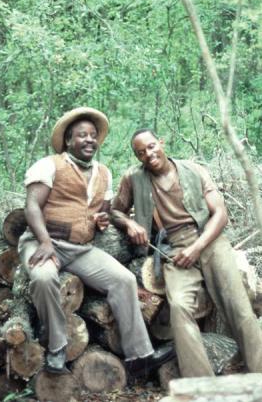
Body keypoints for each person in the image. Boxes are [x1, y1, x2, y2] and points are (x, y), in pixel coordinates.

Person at [111, 128, 262, 378]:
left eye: (151, 146)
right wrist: (130, 223)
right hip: (173, 249)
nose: (148, 154)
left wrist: (196, 248)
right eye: (141, 152)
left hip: (209, 240)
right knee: (179, 306)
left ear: (161, 142)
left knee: (238, 305)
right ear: (138, 157)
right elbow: (116, 210)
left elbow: (220, 214)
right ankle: (201, 386)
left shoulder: (192, 170)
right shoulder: (133, 178)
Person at [18, 108, 174, 376]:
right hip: (43, 241)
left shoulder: (104, 172)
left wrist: (99, 220)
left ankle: (139, 355)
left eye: (93, 135)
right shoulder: (49, 164)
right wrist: (44, 242)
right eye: (81, 135)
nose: (89, 140)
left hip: (81, 249)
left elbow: (101, 211)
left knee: (124, 279)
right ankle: (57, 349)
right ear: (68, 141)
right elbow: (31, 206)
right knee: (43, 278)